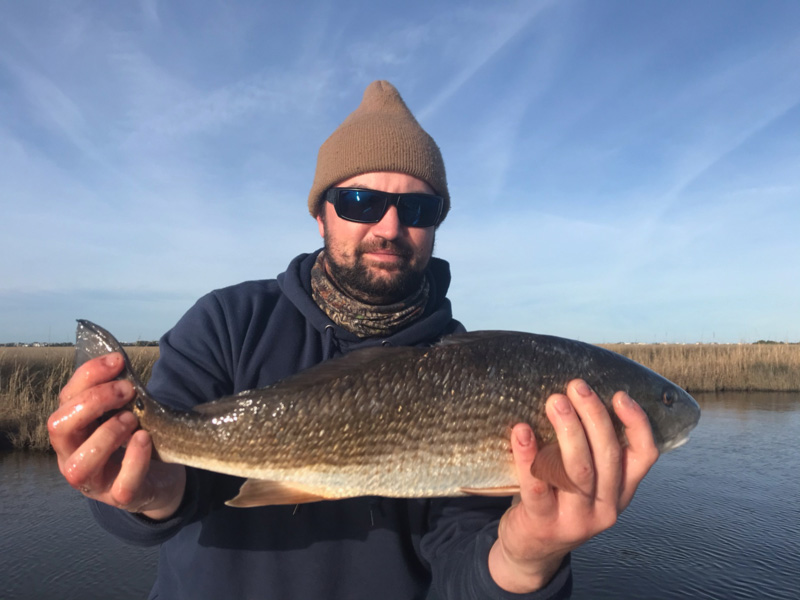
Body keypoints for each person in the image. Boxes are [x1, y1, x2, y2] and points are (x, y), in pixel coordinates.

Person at [49, 80, 659, 599]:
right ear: (321, 213)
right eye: (361, 201)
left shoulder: (475, 368)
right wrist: (143, 491)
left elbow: (463, 567)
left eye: (418, 210)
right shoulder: (226, 322)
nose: (390, 226)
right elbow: (159, 502)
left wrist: (529, 557)